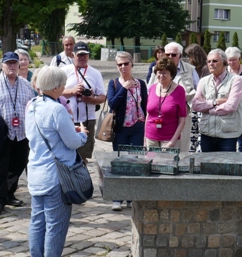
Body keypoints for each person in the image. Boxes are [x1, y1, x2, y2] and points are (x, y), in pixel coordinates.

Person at [25, 66, 88, 257]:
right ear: (55, 87)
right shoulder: (57, 110)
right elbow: (71, 142)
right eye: (62, 83)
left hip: (35, 170)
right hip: (56, 174)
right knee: (55, 222)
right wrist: (83, 136)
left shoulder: (31, 105)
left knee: (37, 220)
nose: (64, 87)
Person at [0, 52, 35, 215]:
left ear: (19, 65)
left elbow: (31, 106)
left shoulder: (26, 84)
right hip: (3, 132)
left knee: (18, 165)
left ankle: (9, 193)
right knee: (1, 167)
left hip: (22, 132)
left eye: (14, 63)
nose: (12, 66)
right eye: (8, 63)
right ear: (2, 65)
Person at [107, 51, 148, 211]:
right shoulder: (114, 83)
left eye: (126, 64)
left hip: (137, 127)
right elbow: (112, 103)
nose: (123, 67)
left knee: (135, 161)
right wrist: (123, 88)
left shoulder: (141, 84)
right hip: (121, 128)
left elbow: (145, 105)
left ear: (132, 64)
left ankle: (131, 196)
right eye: (120, 64)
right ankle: (117, 197)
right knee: (119, 162)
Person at [60, 41, 105, 161]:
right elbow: (55, 93)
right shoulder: (64, 71)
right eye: (79, 55)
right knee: (67, 153)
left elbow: (102, 97)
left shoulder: (95, 73)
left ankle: (82, 178)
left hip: (88, 119)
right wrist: (72, 91)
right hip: (68, 118)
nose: (82, 58)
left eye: (85, 55)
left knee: (83, 155)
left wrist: (91, 99)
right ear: (73, 55)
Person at [191, 49, 242, 152]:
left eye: (215, 61)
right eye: (209, 61)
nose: (211, 64)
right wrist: (214, 102)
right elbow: (195, 105)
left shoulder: (236, 80)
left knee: (226, 166)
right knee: (206, 165)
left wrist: (208, 109)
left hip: (227, 134)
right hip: (207, 133)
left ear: (224, 62)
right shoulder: (203, 81)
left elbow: (231, 106)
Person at [149, 42, 196, 153]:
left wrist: (182, 97)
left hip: (182, 116)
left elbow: (198, 93)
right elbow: (149, 90)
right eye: (168, 54)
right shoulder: (156, 70)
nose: (170, 57)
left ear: (180, 55)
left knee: (180, 151)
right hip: (159, 119)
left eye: (173, 55)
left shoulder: (190, 69)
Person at [145, 57, 187, 149]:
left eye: (165, 73)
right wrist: (145, 138)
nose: (161, 75)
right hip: (151, 138)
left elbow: (182, 120)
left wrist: (172, 142)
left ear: (171, 74)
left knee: (167, 163)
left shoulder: (179, 91)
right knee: (151, 162)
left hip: (169, 139)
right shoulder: (152, 88)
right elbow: (148, 115)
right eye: (159, 72)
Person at [185, 43, 209, 152]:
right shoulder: (194, 68)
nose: (188, 59)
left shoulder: (205, 68)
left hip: (202, 103)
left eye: (189, 56)